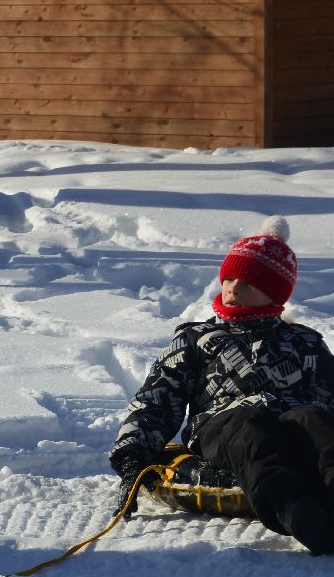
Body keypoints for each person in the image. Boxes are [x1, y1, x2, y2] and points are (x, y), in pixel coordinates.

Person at [109, 218, 334, 555]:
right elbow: (157, 398)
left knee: (313, 420)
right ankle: (292, 508)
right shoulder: (197, 339)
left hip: (291, 423)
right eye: (228, 278)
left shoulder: (303, 341)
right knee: (250, 428)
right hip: (223, 427)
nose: (232, 289)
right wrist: (132, 457)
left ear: (274, 293)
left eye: (247, 284)